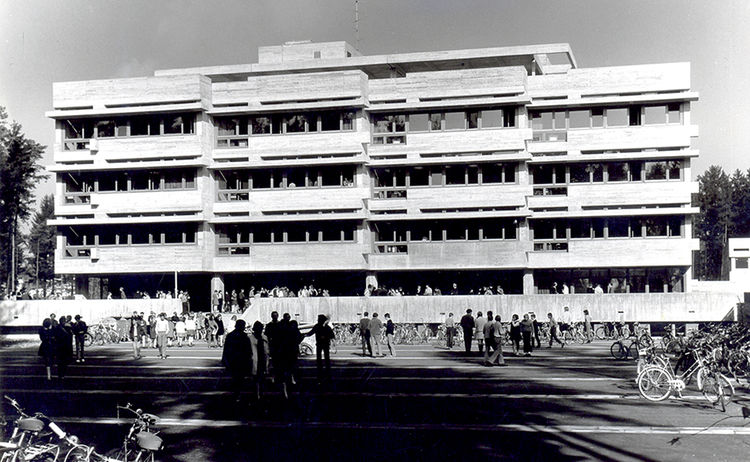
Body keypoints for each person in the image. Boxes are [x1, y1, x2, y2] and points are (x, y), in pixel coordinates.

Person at [222, 319, 252, 403]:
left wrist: (225, 360)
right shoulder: (244, 336)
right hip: (240, 360)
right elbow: (248, 350)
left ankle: (236, 393)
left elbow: (226, 349)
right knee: (239, 378)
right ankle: (237, 393)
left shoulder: (230, 335)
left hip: (234, 360)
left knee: (236, 378)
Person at [305, 314, 335, 383]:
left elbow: (311, 332)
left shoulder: (317, 326)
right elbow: (332, 335)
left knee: (319, 358)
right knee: (326, 357)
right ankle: (327, 370)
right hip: (325, 344)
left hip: (319, 344)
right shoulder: (327, 327)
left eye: (319, 319)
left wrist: (305, 335)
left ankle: (320, 370)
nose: (318, 320)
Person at [250, 321, 269, 401]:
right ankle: (257, 393)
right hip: (254, 360)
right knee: (256, 378)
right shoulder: (250, 338)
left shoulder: (264, 337)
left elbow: (267, 350)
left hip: (262, 360)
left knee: (262, 377)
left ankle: (261, 393)